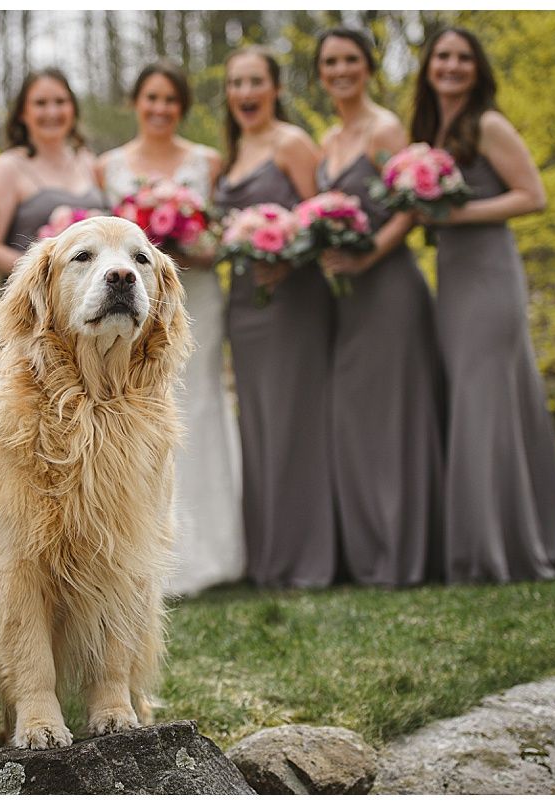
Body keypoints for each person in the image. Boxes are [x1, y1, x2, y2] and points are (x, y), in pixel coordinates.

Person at [410, 27, 555, 582]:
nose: (451, 66)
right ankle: (502, 537)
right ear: (429, 68)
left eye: (462, 58)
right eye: (442, 58)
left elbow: (534, 195)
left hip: (490, 275)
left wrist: (458, 214)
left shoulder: (488, 124)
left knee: (485, 403)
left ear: (477, 69)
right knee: (478, 401)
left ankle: (492, 553)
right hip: (455, 276)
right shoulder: (435, 131)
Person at [97, 61, 244, 597]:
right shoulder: (107, 166)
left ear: (181, 106)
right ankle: (146, 550)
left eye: (170, 100)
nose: (160, 109)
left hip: (194, 294)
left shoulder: (208, 161)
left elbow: (223, 236)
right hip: (131, 306)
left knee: (200, 405)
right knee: (148, 411)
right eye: (150, 98)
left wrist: (191, 238)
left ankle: (215, 555)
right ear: (136, 102)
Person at [314, 28, 445, 586]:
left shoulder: (385, 129)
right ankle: (368, 551)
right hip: (346, 300)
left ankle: (405, 555)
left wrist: (367, 260)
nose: (340, 71)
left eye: (349, 60)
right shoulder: (327, 138)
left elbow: (412, 207)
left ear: (367, 67)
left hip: (388, 287)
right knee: (355, 418)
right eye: (329, 63)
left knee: (397, 417)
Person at [213, 47, 330, 589]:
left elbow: (320, 221)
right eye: (236, 83)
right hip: (243, 304)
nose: (245, 92)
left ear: (276, 88)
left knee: (293, 421)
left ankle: (305, 558)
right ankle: (268, 557)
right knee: (257, 422)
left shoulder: (291, 143)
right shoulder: (233, 152)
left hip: (291, 301)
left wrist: (285, 259)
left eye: (255, 81)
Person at [0, 69, 103, 276]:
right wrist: (51, 272)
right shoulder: (7, 167)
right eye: (40, 103)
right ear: (22, 113)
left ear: (73, 109)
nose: (52, 112)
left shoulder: (88, 161)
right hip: (34, 300)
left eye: (60, 102)